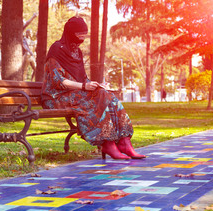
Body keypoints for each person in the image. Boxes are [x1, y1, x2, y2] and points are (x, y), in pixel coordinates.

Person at [41, 17, 146, 160]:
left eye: (84, 35)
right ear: (70, 33)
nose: (82, 39)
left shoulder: (77, 52)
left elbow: (83, 78)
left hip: (75, 94)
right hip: (55, 97)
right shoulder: (56, 49)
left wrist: (97, 85)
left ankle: (124, 142)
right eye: (79, 35)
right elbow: (57, 81)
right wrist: (84, 86)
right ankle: (107, 143)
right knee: (92, 100)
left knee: (108, 96)